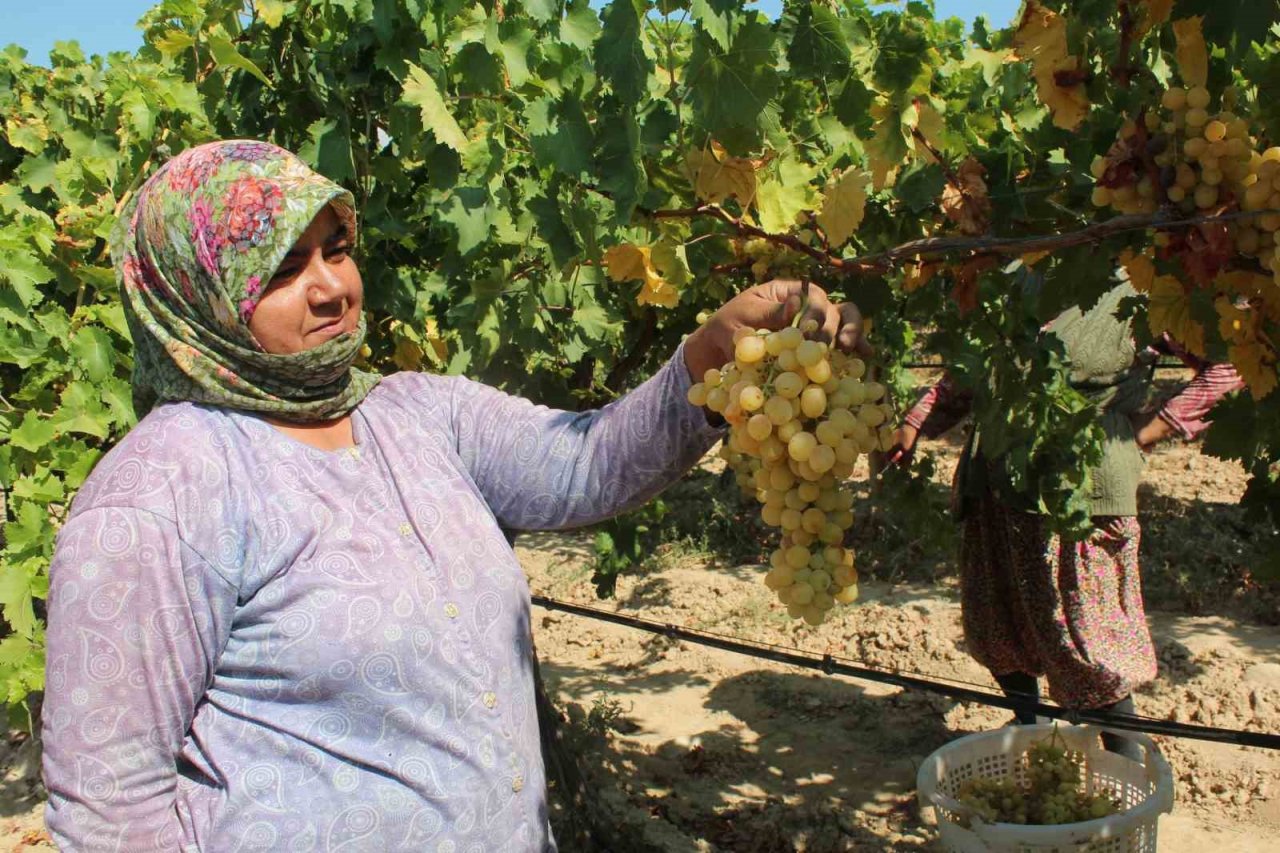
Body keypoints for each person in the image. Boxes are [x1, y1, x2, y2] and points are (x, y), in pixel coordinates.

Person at [39, 140, 866, 852]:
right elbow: (111, 807)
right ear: (198, 294)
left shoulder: (412, 411)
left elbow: (588, 464)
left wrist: (713, 352)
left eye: (335, 248)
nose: (330, 286)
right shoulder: (160, 495)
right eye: (284, 269)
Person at [887, 281, 1242, 758]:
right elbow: (970, 372)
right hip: (996, 486)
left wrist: (1150, 430)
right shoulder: (1013, 271)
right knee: (998, 620)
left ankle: (1127, 764)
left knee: (1089, 642)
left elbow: (1230, 367)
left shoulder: (1143, 287)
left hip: (1081, 493)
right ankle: (1031, 733)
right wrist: (915, 422)